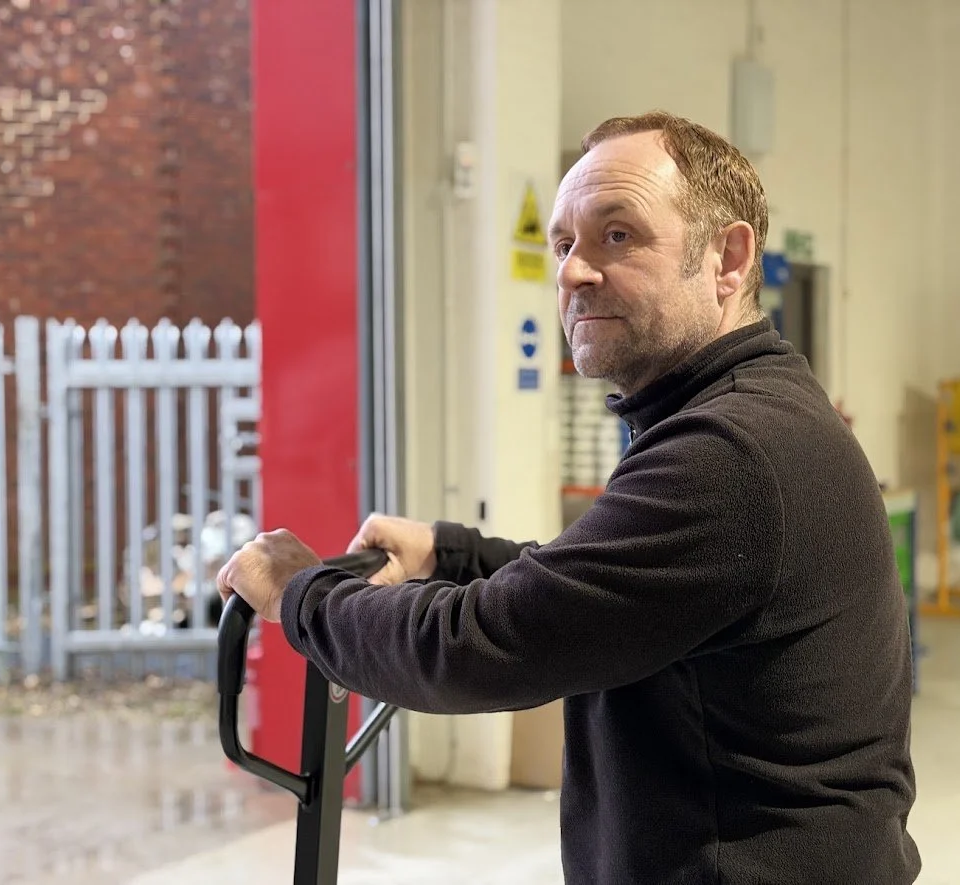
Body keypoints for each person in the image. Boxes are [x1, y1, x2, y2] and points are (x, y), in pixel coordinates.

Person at [217, 111, 921, 884]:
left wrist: (300, 592)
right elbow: (615, 591)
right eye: (563, 243)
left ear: (727, 256)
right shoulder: (752, 411)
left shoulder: (730, 453)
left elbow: (483, 647)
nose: (574, 271)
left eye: (618, 235)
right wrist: (451, 554)